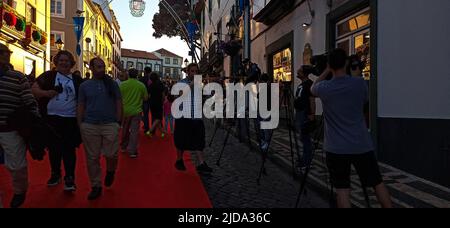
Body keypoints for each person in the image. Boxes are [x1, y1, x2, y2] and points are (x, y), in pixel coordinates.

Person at [311, 48, 392, 208]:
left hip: (336, 148)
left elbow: (313, 88)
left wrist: (327, 70)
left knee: (342, 190)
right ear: (346, 63)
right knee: (377, 183)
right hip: (361, 144)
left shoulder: (324, 88)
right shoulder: (359, 83)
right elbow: (363, 101)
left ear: (330, 65)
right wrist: (355, 75)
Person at [32, 50, 83, 191]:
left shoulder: (77, 80)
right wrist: (46, 93)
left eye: (66, 60)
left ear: (71, 63)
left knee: (69, 149)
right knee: (54, 149)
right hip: (51, 119)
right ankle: (55, 174)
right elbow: (34, 89)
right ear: (56, 62)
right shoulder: (48, 76)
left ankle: (70, 178)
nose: (64, 63)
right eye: (61, 60)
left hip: (71, 120)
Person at [77, 57, 123, 200]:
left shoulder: (112, 84)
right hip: (90, 125)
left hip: (110, 124)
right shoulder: (84, 86)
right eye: (98, 66)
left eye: (102, 66)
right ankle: (96, 185)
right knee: (92, 158)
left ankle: (110, 171)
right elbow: (81, 105)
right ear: (91, 68)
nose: (101, 69)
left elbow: (119, 102)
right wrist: (80, 124)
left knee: (112, 154)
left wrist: (118, 122)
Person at [0, 43, 39, 208]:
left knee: (17, 166)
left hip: (10, 128)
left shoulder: (17, 77)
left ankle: (19, 190)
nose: (6, 55)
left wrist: (36, 124)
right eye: (3, 53)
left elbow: (30, 101)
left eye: (6, 52)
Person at [174, 63, 212, 173]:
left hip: (196, 116)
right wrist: (191, 85)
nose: (194, 73)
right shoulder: (181, 83)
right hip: (183, 115)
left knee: (199, 140)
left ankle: (201, 163)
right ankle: (179, 160)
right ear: (188, 72)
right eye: (192, 71)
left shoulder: (199, 84)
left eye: (196, 71)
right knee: (181, 140)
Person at [119, 68, 148, 158]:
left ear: (128, 74)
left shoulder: (122, 85)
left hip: (125, 110)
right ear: (137, 75)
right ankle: (132, 151)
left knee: (125, 129)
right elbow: (146, 98)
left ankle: (123, 146)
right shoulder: (141, 85)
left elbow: (118, 97)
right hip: (136, 110)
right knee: (134, 131)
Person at [294, 66, 316, 169]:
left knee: (305, 138)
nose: (297, 72)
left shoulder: (309, 84)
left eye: (299, 71)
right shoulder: (301, 85)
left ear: (304, 73)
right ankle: (304, 158)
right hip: (299, 113)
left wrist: (312, 113)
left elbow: (312, 100)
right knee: (302, 137)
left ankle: (306, 160)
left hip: (305, 113)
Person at [147, 72, 166, 138]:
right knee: (158, 118)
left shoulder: (150, 86)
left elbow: (148, 95)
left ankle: (162, 132)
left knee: (155, 118)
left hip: (152, 103)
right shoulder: (160, 84)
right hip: (158, 103)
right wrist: (163, 101)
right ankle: (150, 130)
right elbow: (163, 95)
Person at [140, 67, 152, 134]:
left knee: (139, 113)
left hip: (141, 98)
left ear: (145, 71)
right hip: (148, 98)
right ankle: (146, 127)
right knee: (146, 114)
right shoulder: (150, 79)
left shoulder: (141, 79)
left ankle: (145, 124)